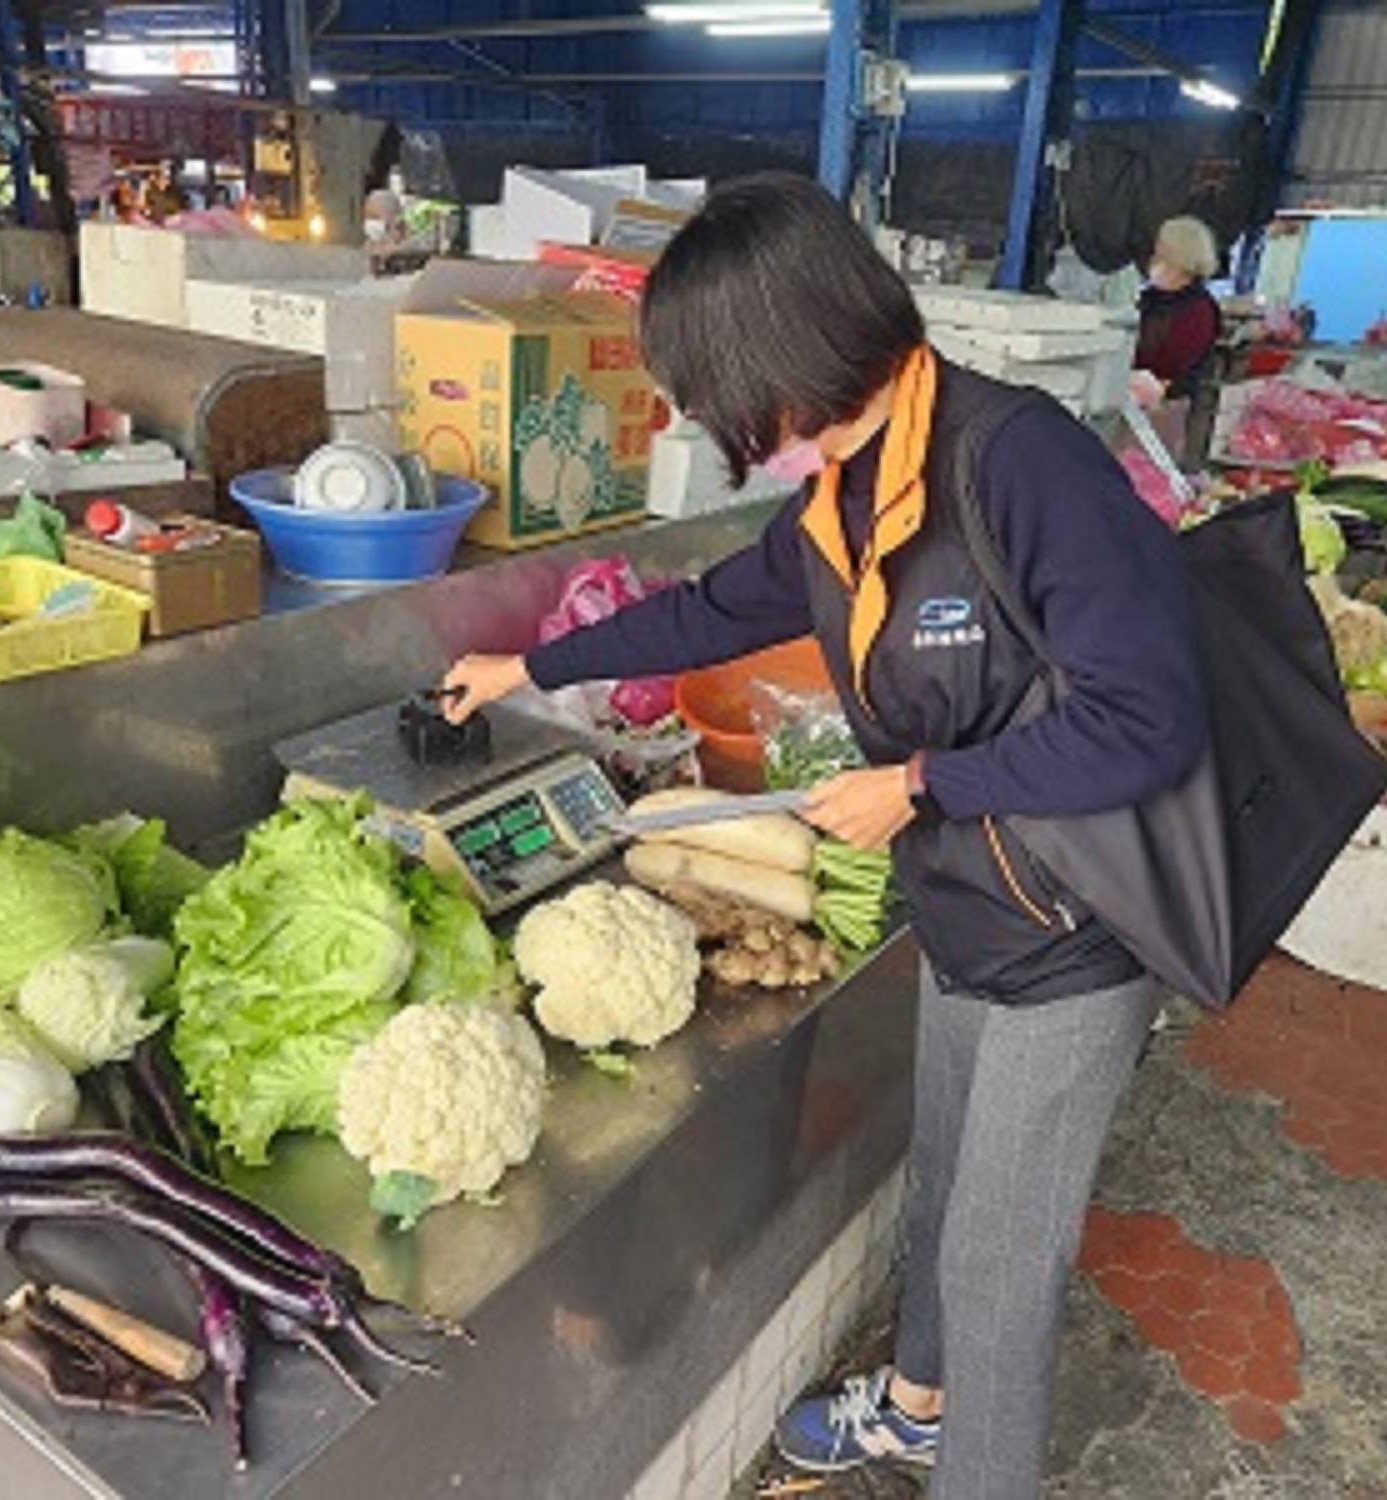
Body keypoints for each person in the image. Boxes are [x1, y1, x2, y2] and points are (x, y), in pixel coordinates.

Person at [442, 173, 1207, 1497]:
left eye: (712, 390)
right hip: (973, 914)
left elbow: (1153, 719)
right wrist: (535, 663)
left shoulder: (1018, 464)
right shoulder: (847, 482)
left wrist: (919, 784)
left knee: (1000, 1265)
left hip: (1076, 934)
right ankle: (917, 1407)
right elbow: (715, 610)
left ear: (784, 357)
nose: (715, 421)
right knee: (946, 1198)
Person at [1134, 214, 1223, 398]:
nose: (1152, 258)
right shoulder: (1151, 298)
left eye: (1159, 253)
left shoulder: (1199, 311)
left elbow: (1169, 366)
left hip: (1167, 405)